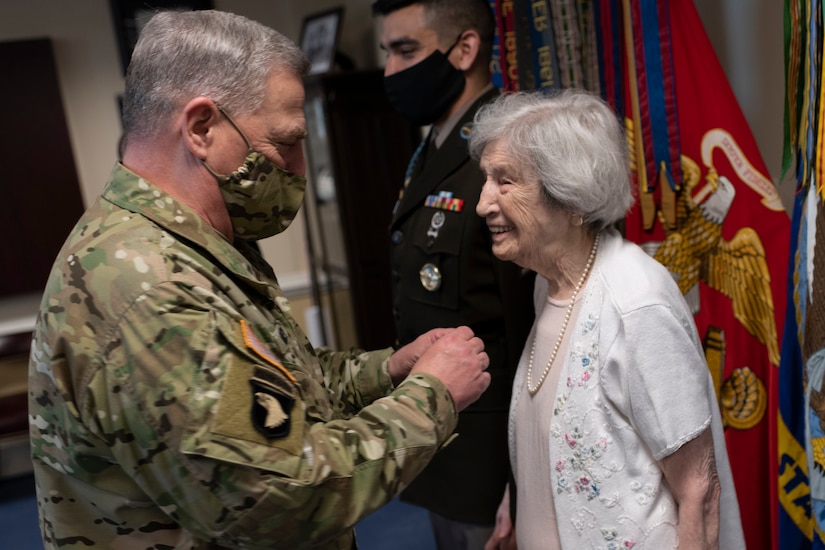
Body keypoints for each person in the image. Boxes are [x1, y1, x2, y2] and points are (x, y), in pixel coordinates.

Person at [28, 10, 493, 549]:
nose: (298, 168)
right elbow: (281, 499)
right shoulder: (150, 290)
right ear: (202, 128)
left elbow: (279, 390)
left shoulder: (188, 243)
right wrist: (432, 396)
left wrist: (387, 371)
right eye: (286, 142)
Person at [470, 89, 746, 549]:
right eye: (486, 179)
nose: (483, 204)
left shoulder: (636, 303)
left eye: (506, 181)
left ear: (571, 196)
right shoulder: (550, 283)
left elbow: (700, 490)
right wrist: (517, 514)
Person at [372, 0, 536, 548]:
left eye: (406, 50)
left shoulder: (505, 153)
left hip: (491, 463)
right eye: (386, 52)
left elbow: (530, 330)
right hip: (446, 443)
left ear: (464, 49)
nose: (391, 71)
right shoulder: (435, 146)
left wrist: (522, 482)